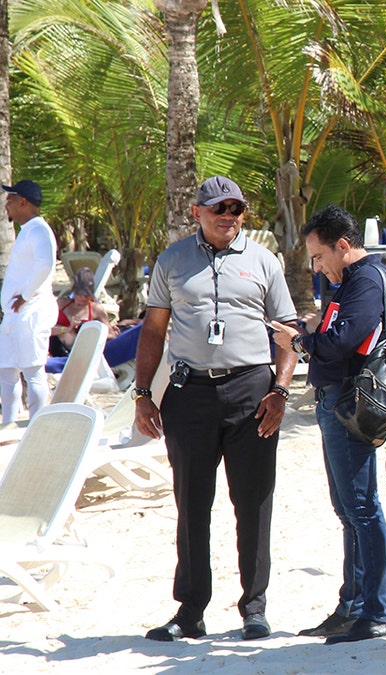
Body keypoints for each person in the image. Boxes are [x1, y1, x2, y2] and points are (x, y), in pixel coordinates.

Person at [136, 176, 298, 642]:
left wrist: (280, 391)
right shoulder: (172, 261)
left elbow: (286, 329)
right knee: (191, 504)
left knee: (253, 502)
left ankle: (255, 607)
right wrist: (143, 393)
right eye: (218, 208)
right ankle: (190, 611)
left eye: (236, 208)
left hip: (253, 392)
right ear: (197, 212)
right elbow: (152, 330)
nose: (228, 215)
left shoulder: (264, 261)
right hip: (189, 394)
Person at [268, 205, 386, 645]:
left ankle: (375, 611)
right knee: (350, 511)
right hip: (340, 401)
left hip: (349, 404)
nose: (316, 267)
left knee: (362, 509)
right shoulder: (351, 281)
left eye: (319, 256)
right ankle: (353, 605)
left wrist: (300, 342)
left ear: (344, 246)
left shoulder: (364, 280)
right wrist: (314, 327)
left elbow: (342, 342)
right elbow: (344, 331)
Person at [0, 180, 57, 425]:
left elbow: (45, 264)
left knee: (34, 373)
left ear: (23, 201)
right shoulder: (28, 231)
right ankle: (8, 426)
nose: (6, 205)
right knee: (7, 373)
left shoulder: (39, 230)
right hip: (16, 317)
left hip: (30, 314)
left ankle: (36, 427)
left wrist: (24, 296)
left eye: (10, 199)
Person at [49, 267, 115, 356]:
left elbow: (112, 334)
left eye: (87, 295)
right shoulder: (61, 304)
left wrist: (87, 336)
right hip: (57, 347)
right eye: (80, 294)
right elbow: (45, 329)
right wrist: (66, 329)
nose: (83, 298)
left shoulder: (96, 309)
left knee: (84, 328)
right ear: (73, 290)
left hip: (83, 353)